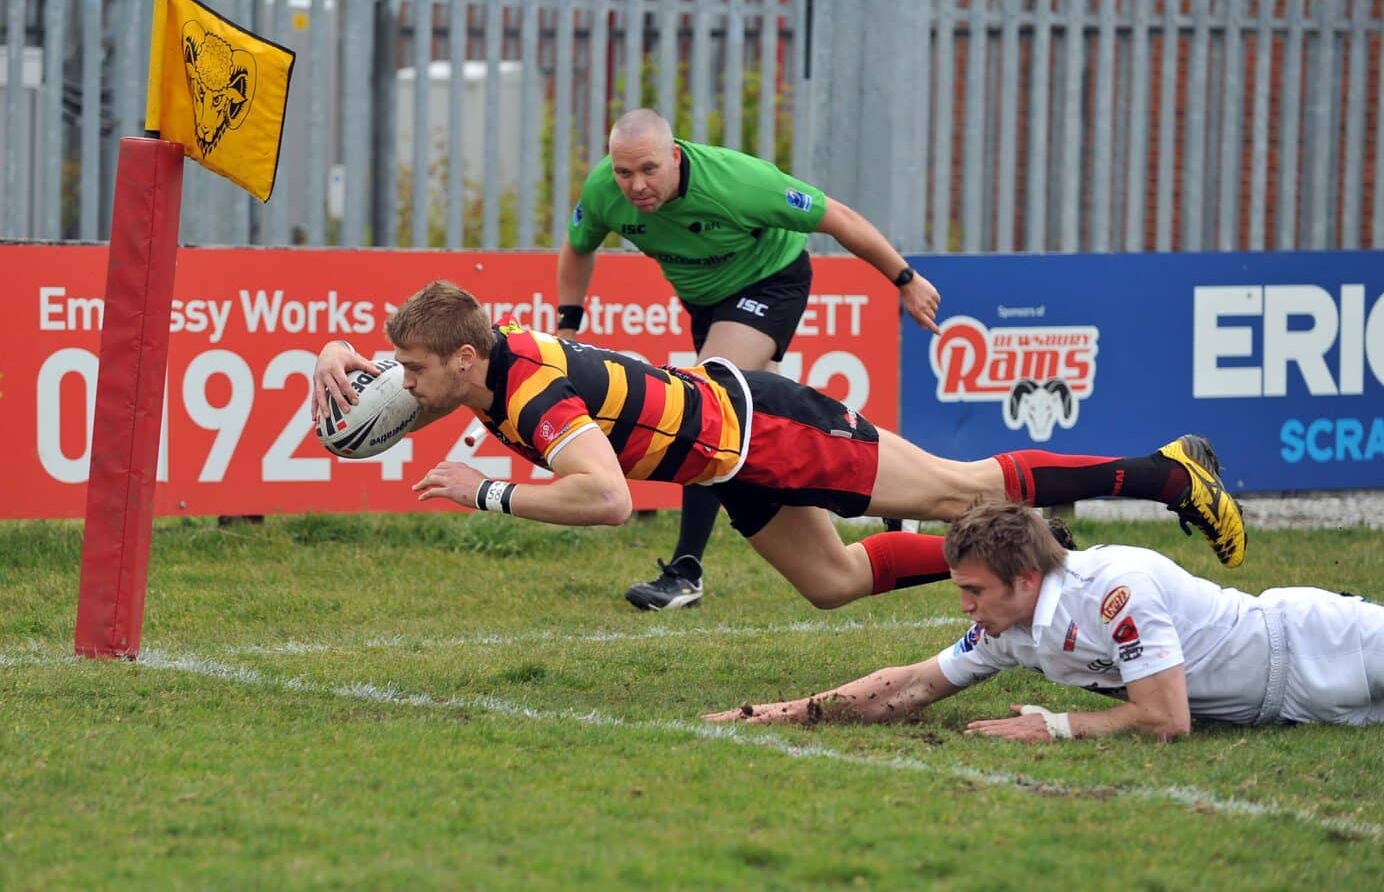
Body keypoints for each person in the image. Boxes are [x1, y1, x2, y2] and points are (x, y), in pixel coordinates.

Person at [312, 280, 1247, 615]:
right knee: (833, 582)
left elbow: (606, 500)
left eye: (412, 370)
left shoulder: (531, 392)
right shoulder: (482, 355)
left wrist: (487, 495)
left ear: (465, 358)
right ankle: (1066, 561)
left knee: (964, 491)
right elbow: (424, 371)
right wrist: (337, 355)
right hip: (727, 459)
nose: (409, 387)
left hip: (772, 428)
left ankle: (1165, 473)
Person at [556, 108, 942, 611]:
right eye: (624, 172)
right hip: (706, 303)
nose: (636, 186)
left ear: (675, 157)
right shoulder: (604, 191)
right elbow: (577, 248)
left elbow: (839, 219)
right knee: (772, 434)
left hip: (771, 281)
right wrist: (566, 327)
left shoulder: (738, 183)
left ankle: (685, 571)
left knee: (705, 407)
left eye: (649, 170)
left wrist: (906, 281)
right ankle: (899, 497)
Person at [707, 500, 1383, 739]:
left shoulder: (1115, 591)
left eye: (973, 589)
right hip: (1288, 707)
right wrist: (783, 711)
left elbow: (1166, 718)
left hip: (1321, 641)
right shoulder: (1014, 624)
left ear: (1025, 577)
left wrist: (1057, 726)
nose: (963, 605)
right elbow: (911, 685)